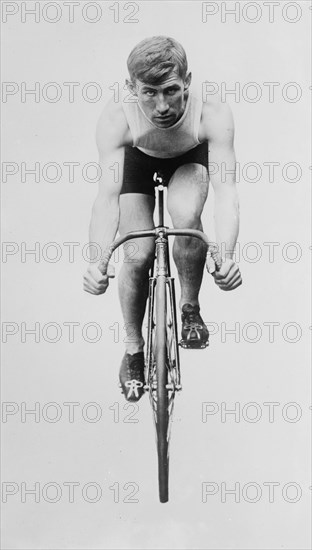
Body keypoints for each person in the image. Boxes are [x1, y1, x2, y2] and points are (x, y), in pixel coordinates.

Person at [83, 36, 242, 402]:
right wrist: (96, 261)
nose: (163, 106)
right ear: (131, 88)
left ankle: (189, 308)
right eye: (149, 93)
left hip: (188, 158)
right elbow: (106, 199)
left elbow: (226, 191)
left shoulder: (212, 112)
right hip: (137, 164)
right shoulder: (117, 117)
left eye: (171, 90)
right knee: (136, 255)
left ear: (188, 80)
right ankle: (134, 347)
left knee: (187, 217)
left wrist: (227, 255)